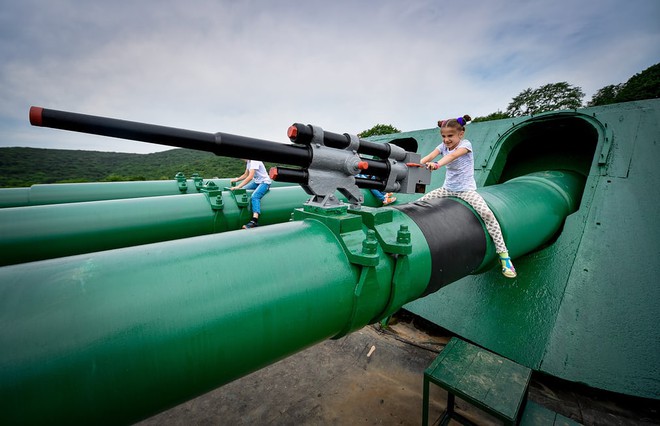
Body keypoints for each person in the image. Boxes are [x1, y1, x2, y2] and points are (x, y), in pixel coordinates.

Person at [419, 115, 517, 278]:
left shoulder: (466, 145)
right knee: (420, 203)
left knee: (487, 214)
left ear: (461, 134)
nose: (446, 140)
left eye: (450, 136)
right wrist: (416, 164)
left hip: (466, 191)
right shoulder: (443, 145)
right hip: (447, 189)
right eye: (443, 136)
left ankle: (504, 256)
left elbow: (451, 157)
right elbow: (429, 156)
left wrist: (437, 165)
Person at [230, 159, 272, 229]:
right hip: (257, 182)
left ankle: (254, 221)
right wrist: (236, 179)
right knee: (243, 190)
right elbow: (245, 175)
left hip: (264, 182)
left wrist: (238, 186)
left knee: (255, 197)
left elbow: (250, 177)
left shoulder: (254, 161)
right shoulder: (249, 162)